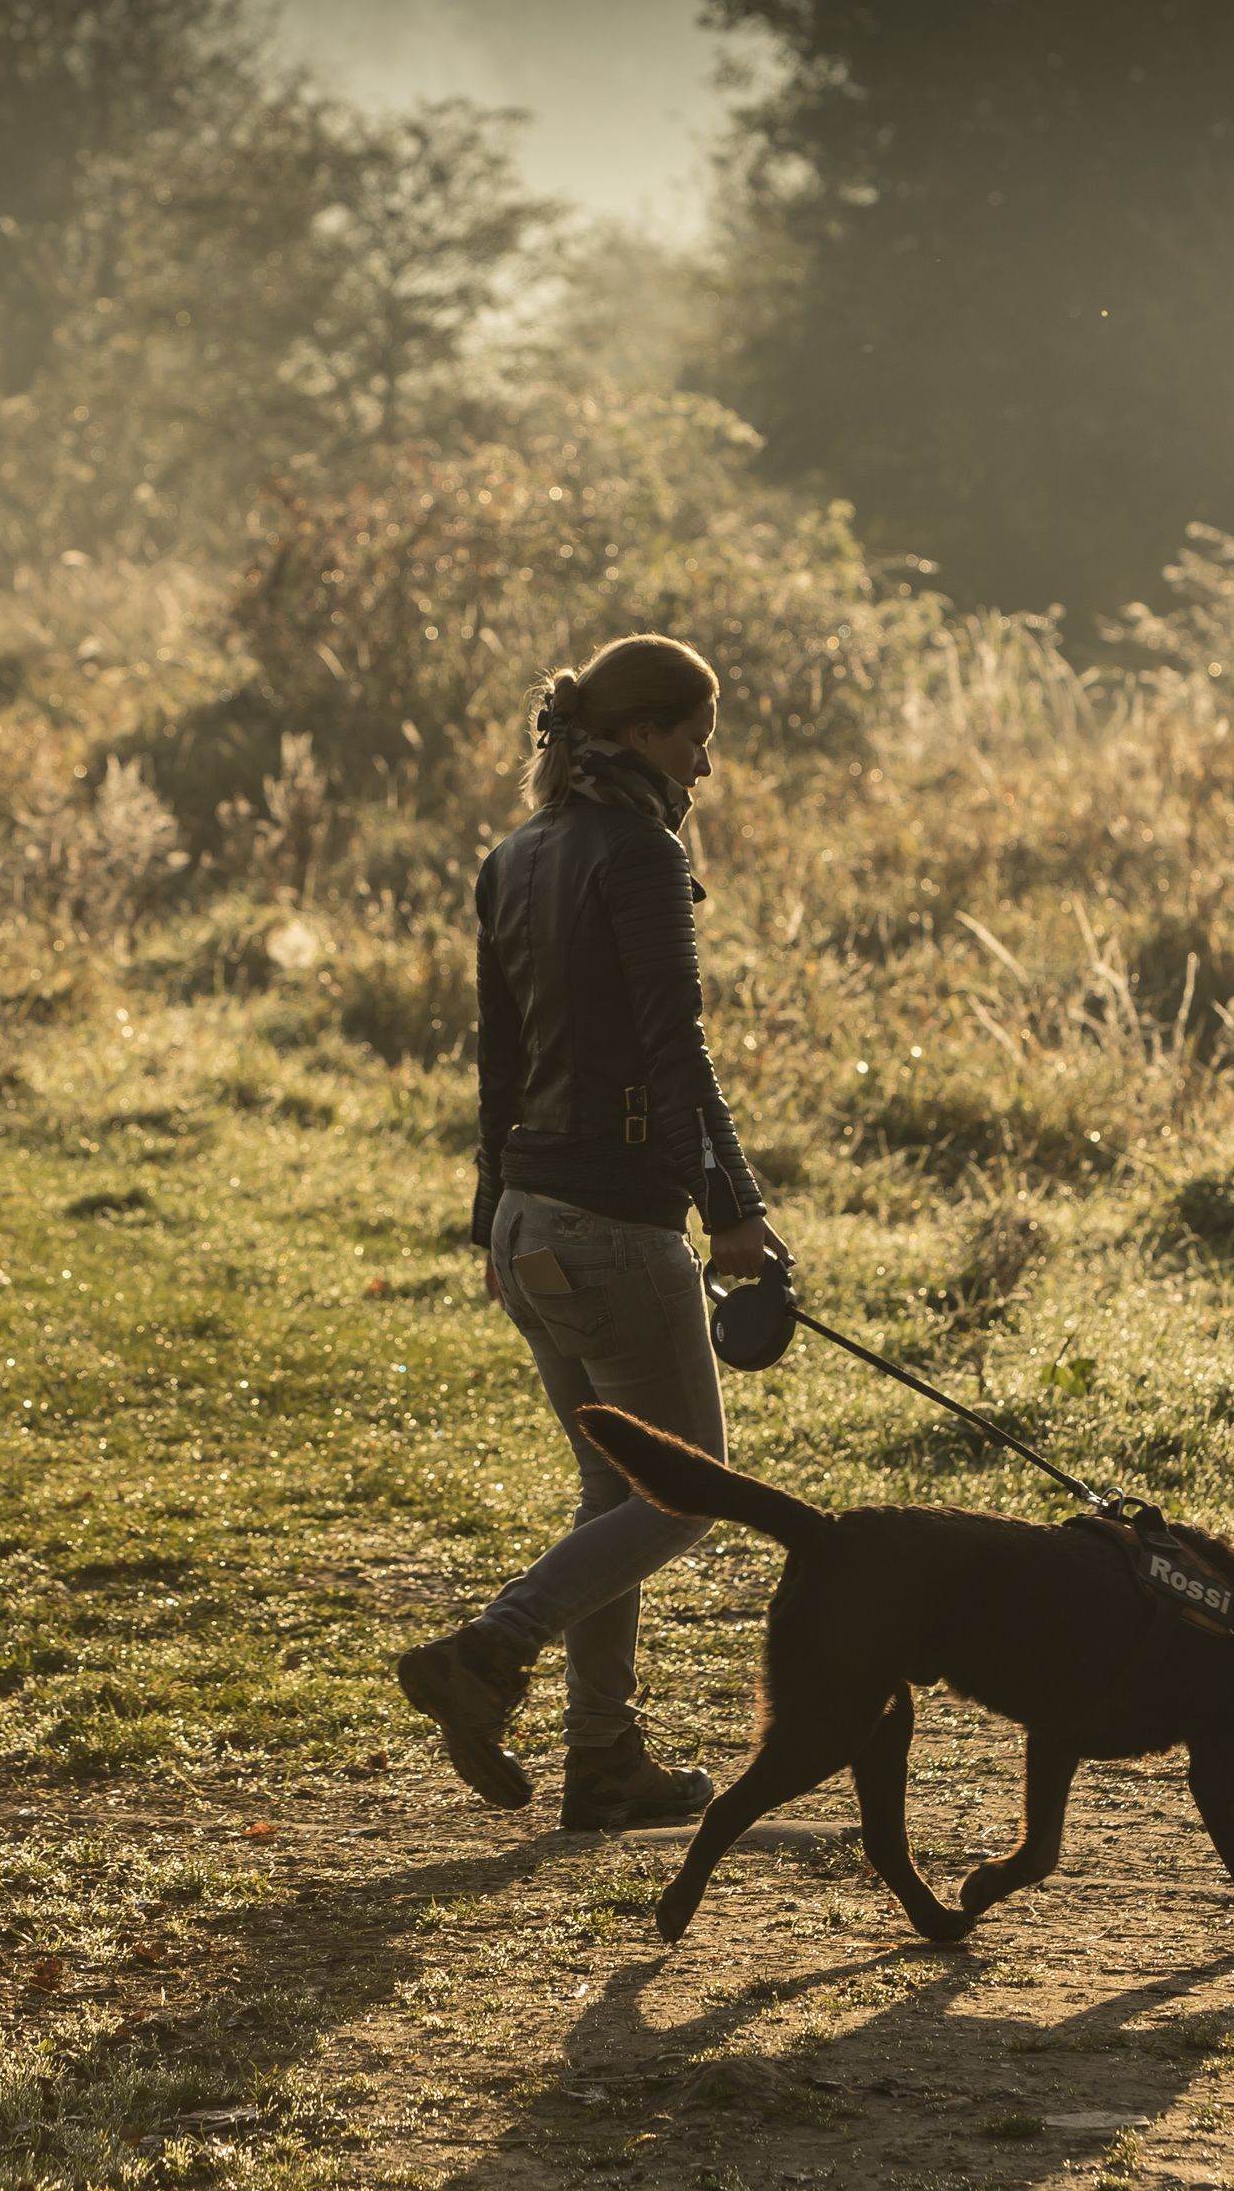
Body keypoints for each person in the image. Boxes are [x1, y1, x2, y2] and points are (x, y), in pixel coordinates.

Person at [398, 633, 795, 1831]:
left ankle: (606, 1760)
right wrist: (733, 1209)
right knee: (686, 1494)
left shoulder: (513, 855)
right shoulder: (640, 853)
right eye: (693, 739)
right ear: (638, 734)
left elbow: (500, 1054)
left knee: (615, 1491)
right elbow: (679, 1048)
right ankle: (490, 1648)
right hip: (616, 1226)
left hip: (530, 1221)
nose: (704, 765)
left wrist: (491, 1213)